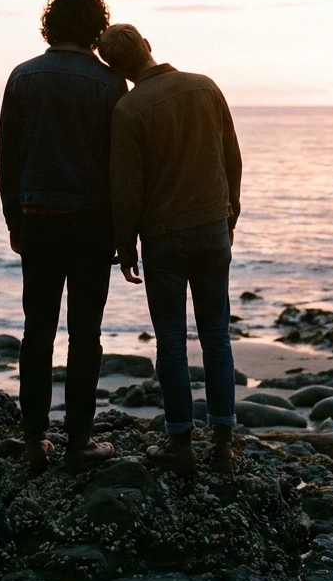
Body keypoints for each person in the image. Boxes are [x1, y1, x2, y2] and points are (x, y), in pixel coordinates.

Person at [97, 24, 242, 473]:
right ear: (147, 45)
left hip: (164, 235)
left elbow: (128, 188)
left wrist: (125, 245)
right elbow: (232, 157)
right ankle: (222, 444)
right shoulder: (205, 87)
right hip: (212, 225)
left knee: (172, 341)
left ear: (114, 67)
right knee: (216, 333)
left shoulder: (128, 108)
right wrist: (230, 213)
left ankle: (180, 443)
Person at [0, 0, 126, 473]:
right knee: (86, 335)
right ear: (96, 26)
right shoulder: (111, 84)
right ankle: (79, 441)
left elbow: (7, 157)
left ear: (51, 23)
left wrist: (15, 217)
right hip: (92, 223)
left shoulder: (23, 77)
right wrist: (122, 229)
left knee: (37, 332)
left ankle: (33, 441)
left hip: (39, 220)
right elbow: (119, 165)